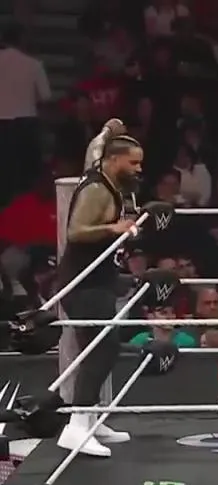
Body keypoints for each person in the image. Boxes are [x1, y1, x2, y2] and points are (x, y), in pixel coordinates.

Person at [55, 129, 143, 457]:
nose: (138, 169)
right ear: (114, 160)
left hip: (98, 281)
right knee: (100, 350)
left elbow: (94, 148)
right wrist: (113, 228)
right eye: (133, 163)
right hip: (84, 283)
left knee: (102, 349)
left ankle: (89, 420)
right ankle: (76, 427)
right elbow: (75, 232)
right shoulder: (96, 189)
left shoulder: (100, 169)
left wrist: (108, 130)